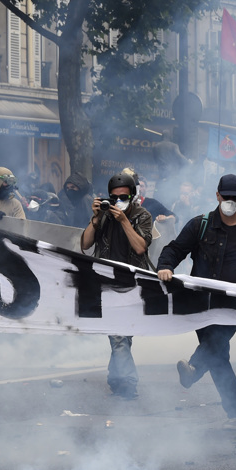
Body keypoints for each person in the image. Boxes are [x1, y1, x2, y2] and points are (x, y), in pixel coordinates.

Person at [156, 174, 236, 430]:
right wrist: (166, 266)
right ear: (217, 196)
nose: (230, 202)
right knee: (219, 355)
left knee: (217, 343)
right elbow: (175, 249)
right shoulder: (200, 225)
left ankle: (194, 369)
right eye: (226, 197)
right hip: (204, 303)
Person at [80, 171, 154, 399]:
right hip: (106, 284)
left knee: (123, 336)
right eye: (114, 197)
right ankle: (126, 382)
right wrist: (95, 218)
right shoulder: (104, 215)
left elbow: (141, 247)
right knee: (118, 336)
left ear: (132, 195)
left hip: (133, 285)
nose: (118, 201)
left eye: (123, 197)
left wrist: (123, 221)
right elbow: (84, 244)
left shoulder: (142, 216)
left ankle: (120, 381)